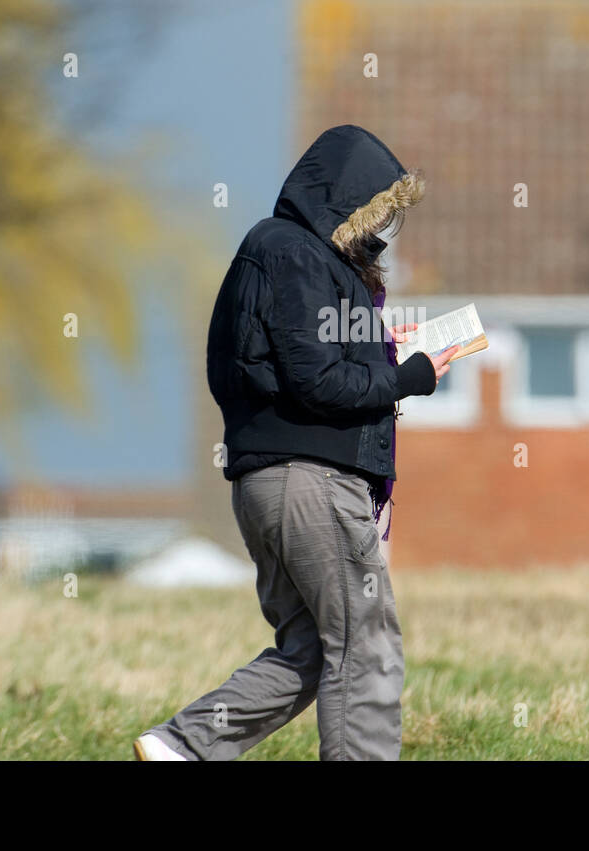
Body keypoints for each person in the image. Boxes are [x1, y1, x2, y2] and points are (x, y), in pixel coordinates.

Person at [135, 124, 456, 761]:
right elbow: (318, 379)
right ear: (347, 203)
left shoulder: (293, 257)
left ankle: (182, 747)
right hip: (309, 483)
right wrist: (408, 377)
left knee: (312, 648)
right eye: (380, 211)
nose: (385, 227)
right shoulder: (293, 252)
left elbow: (302, 366)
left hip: (272, 486)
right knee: (366, 644)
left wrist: (387, 354)